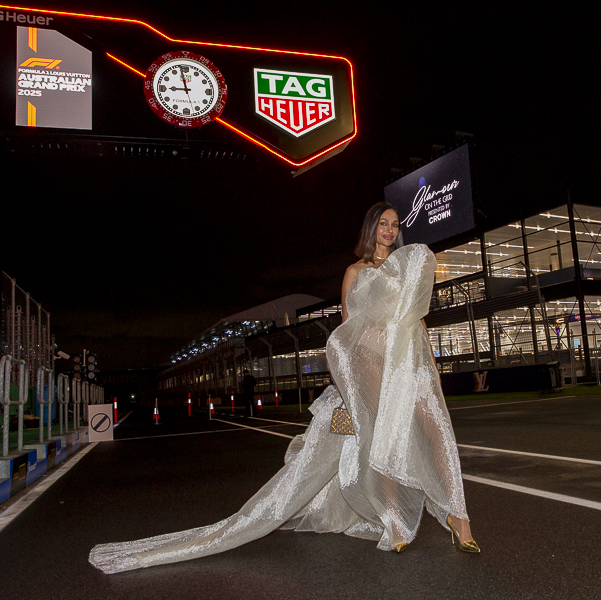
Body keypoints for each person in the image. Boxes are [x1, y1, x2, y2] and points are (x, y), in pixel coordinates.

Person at [89, 202, 478, 574]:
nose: (390, 230)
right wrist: (349, 382)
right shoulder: (354, 272)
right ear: (371, 228)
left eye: (395, 224)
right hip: (369, 369)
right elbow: (346, 332)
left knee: (435, 430)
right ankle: (395, 522)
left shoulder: (401, 267)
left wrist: (430, 365)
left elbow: (415, 317)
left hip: (406, 366)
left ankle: (460, 520)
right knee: (382, 441)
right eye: (383, 224)